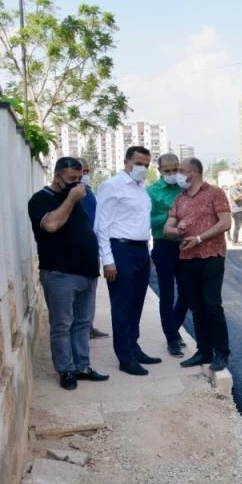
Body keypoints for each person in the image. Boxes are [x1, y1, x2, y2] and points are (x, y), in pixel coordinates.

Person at [28, 157, 109, 390]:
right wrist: (71, 200)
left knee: (83, 323)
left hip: (87, 272)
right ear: (56, 176)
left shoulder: (80, 199)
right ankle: (66, 370)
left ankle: (82, 366)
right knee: (62, 325)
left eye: (80, 178)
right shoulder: (40, 199)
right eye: (71, 179)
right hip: (59, 273)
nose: (77, 183)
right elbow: (51, 225)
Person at [94, 145, 162, 376]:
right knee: (122, 306)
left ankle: (134, 347)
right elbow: (101, 225)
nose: (142, 168)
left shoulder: (141, 188)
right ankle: (125, 357)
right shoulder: (112, 186)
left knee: (136, 303)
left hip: (140, 251)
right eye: (138, 163)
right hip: (120, 250)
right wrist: (108, 260)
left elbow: (143, 223)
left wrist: (148, 251)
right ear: (126, 162)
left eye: (146, 164)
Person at [164, 157, 232, 372]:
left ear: (193, 172)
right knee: (197, 307)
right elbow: (168, 228)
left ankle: (221, 352)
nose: (177, 175)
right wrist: (178, 231)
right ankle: (204, 351)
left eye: (181, 170)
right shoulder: (180, 199)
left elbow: (226, 222)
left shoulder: (215, 193)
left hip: (212, 256)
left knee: (212, 305)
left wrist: (200, 239)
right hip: (187, 259)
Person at [147, 153, 189, 358]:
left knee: (187, 293)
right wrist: (172, 215)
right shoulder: (152, 192)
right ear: (160, 170)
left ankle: (174, 328)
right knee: (167, 294)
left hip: (186, 247)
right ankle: (172, 338)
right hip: (164, 246)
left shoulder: (186, 188)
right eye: (168, 171)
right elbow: (148, 221)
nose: (173, 174)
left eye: (176, 169)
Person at [77, 157, 110, 340]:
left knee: (90, 291)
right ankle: (80, 329)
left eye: (87, 171)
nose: (85, 175)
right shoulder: (73, 194)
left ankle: (88, 326)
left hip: (91, 249)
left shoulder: (88, 192)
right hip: (77, 251)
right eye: (82, 171)